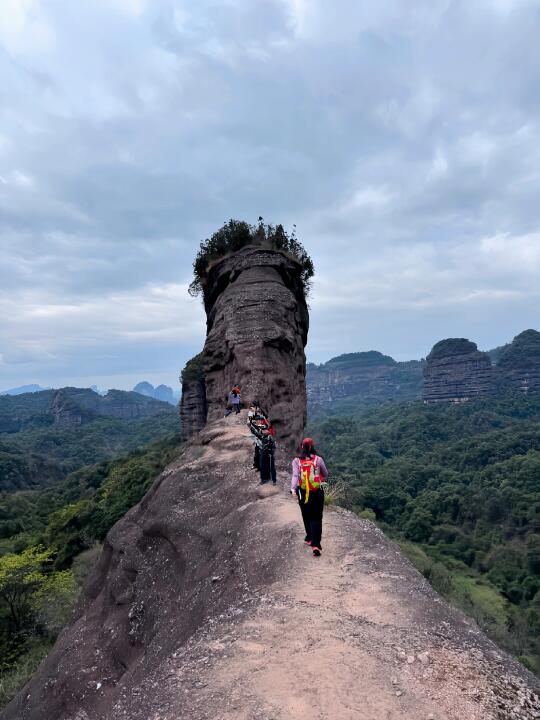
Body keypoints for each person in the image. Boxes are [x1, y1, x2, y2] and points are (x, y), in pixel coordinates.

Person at [291, 438, 328, 557]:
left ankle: (309, 538)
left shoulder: (297, 461)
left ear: (302, 447)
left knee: (306, 514)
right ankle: (316, 544)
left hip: (302, 492)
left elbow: (295, 476)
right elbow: (326, 474)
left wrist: (293, 489)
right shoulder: (319, 459)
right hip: (317, 491)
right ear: (312, 447)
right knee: (316, 517)